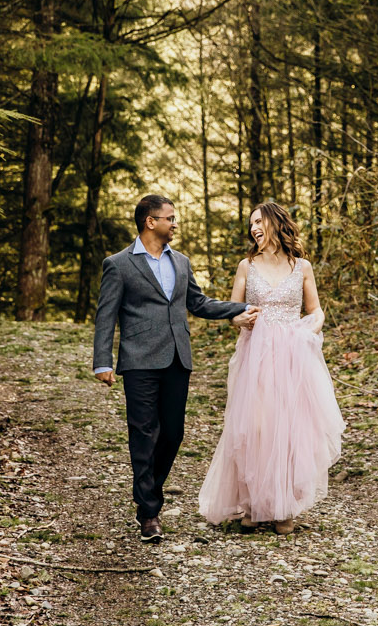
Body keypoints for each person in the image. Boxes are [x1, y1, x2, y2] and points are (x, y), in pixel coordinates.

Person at [93, 194, 259, 542]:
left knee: (172, 434)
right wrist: (103, 362)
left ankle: (147, 492)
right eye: (169, 217)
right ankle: (149, 512)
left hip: (177, 359)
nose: (175, 223)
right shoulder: (119, 264)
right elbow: (106, 315)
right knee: (143, 434)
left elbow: (198, 303)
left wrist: (238, 309)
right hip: (138, 360)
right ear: (150, 221)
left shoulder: (181, 262)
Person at [198, 201, 344, 535]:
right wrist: (240, 318)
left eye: (258, 222)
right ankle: (253, 503)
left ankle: (283, 506)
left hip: (294, 354)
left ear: (276, 224)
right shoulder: (246, 266)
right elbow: (232, 312)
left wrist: (311, 329)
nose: (253, 228)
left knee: (290, 427)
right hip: (257, 355)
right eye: (250, 224)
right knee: (258, 426)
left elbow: (316, 309)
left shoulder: (302, 266)